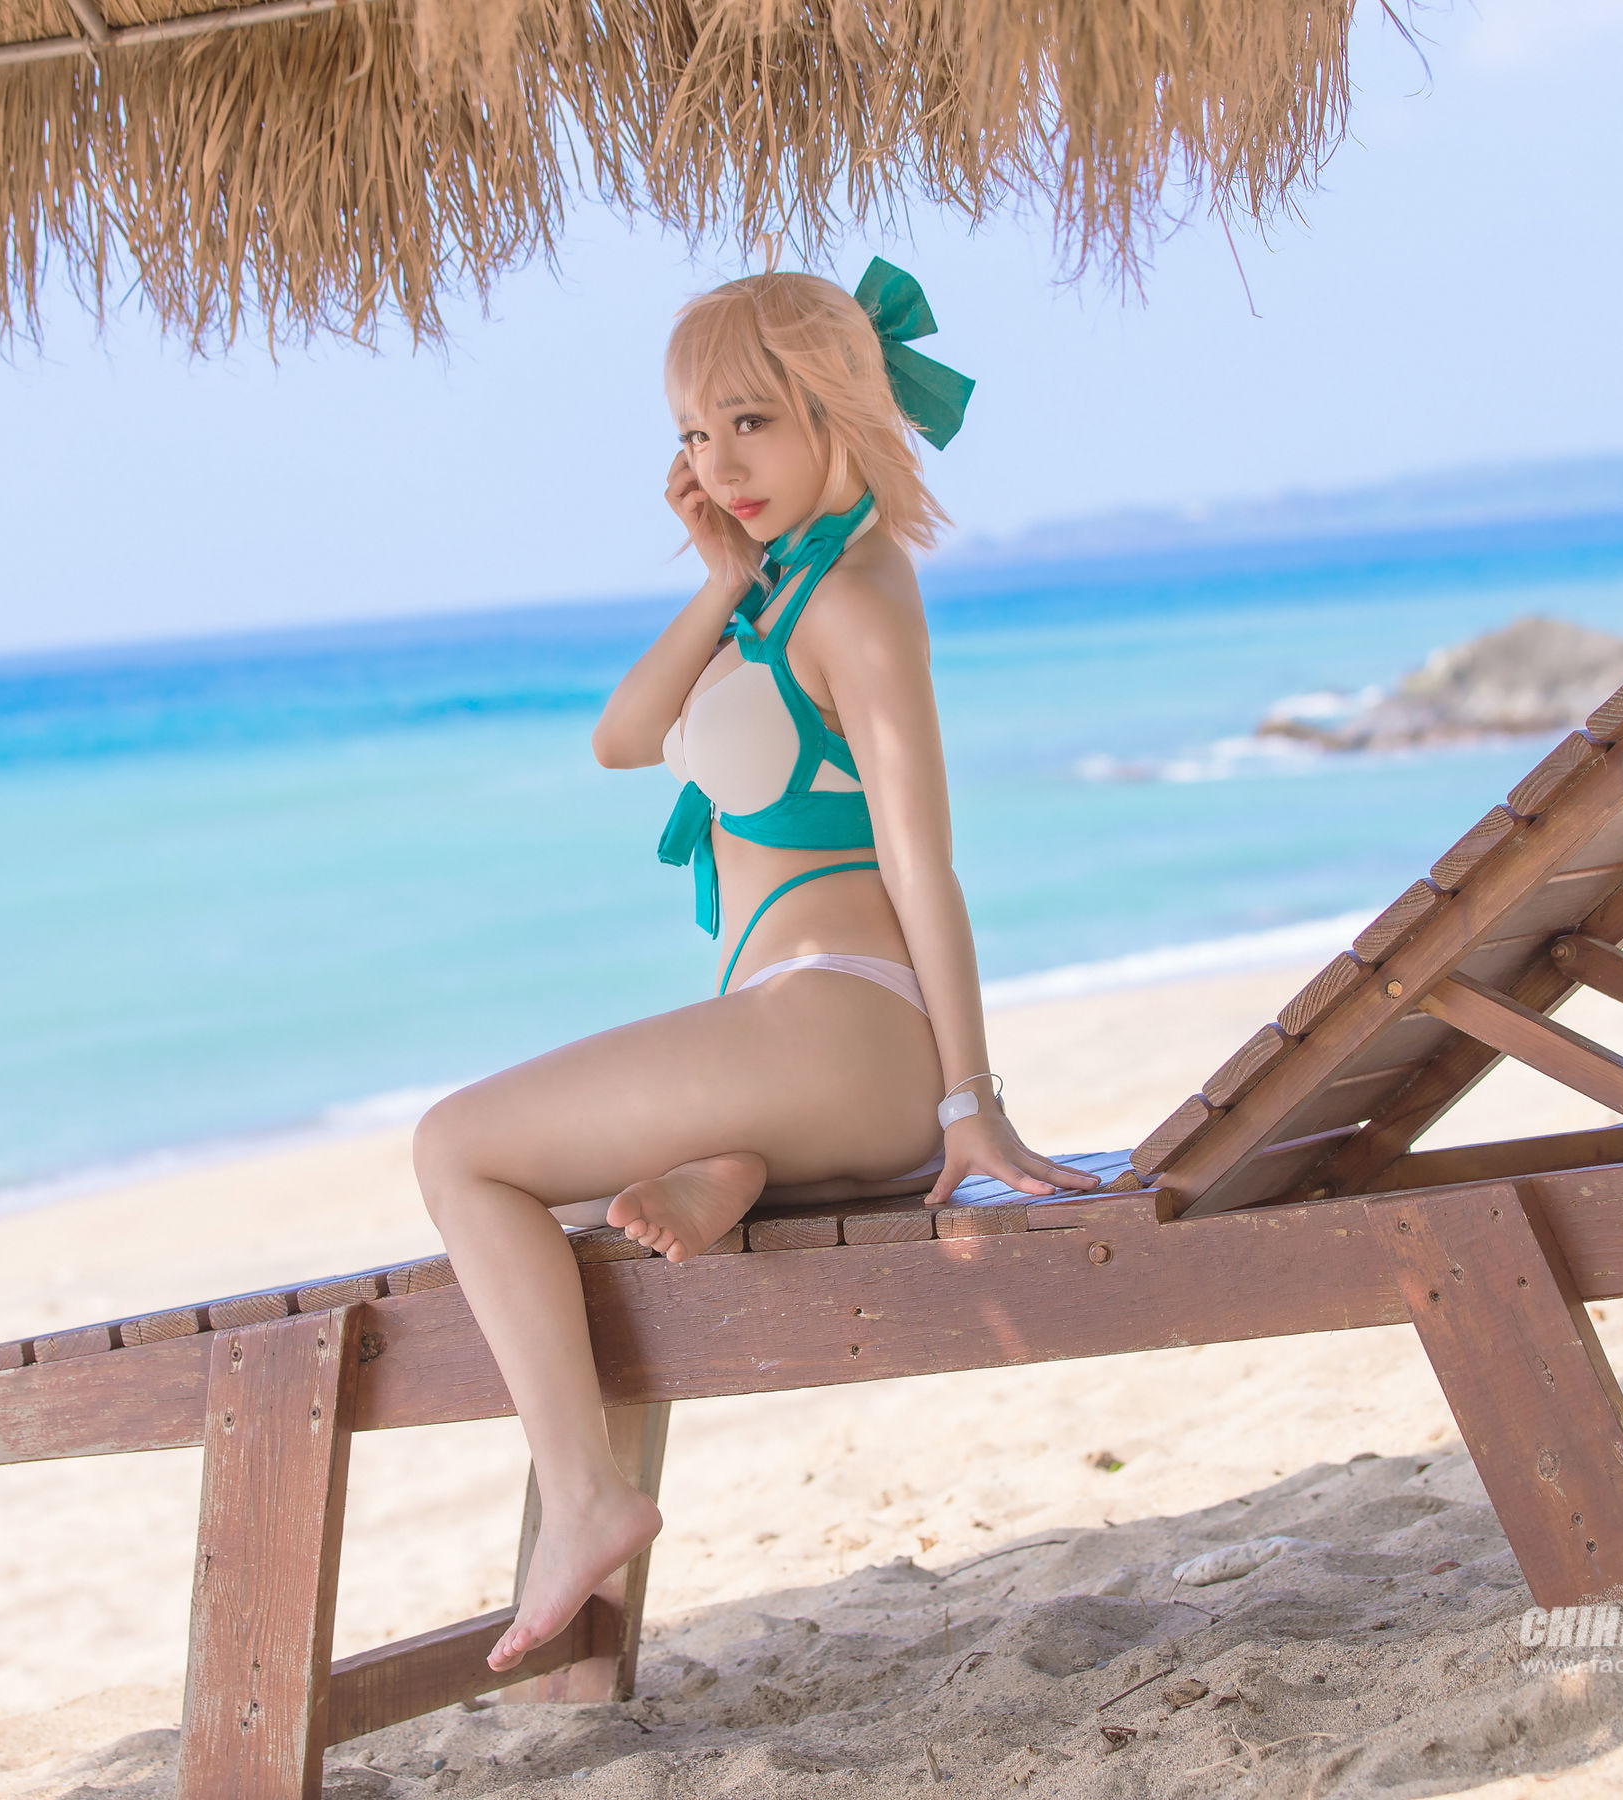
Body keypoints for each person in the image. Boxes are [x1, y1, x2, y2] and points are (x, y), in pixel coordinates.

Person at [414, 262, 1097, 1674]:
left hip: (847, 1021)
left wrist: (972, 1104)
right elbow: (621, 739)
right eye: (692, 434)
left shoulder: (856, 597)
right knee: (583, 1190)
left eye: (751, 424)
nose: (719, 466)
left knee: (456, 1149)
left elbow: (921, 861)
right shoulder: (778, 590)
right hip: (806, 1046)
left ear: (837, 409)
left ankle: (589, 1496)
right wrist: (723, 578)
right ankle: (737, 1167)